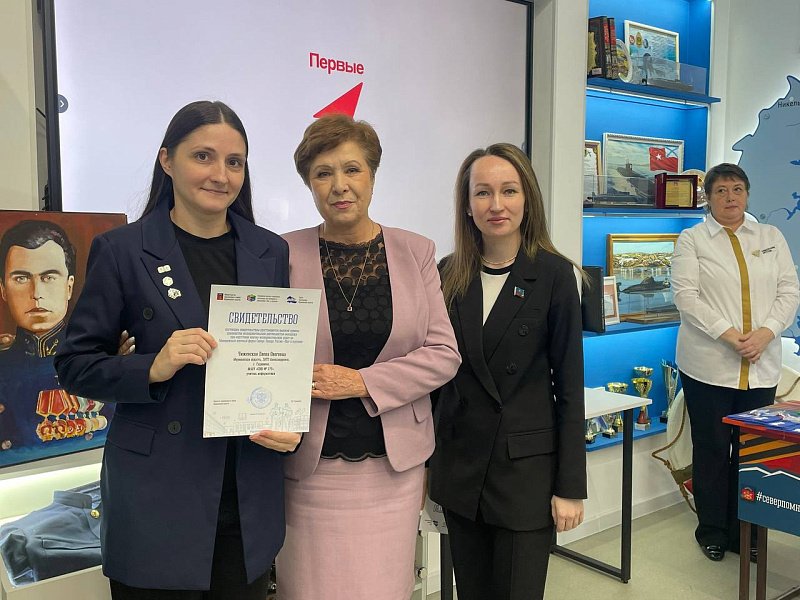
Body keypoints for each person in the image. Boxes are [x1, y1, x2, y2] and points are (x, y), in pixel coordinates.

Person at [54, 100, 301, 599]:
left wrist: (288, 417)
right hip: (157, 494)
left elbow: (277, 359)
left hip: (245, 490)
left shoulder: (269, 251)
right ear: (167, 160)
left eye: (234, 162)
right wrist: (153, 366)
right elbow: (75, 365)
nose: (221, 175)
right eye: (202, 156)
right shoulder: (122, 250)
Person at [275, 114, 461, 600]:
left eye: (352, 169)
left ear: (372, 176)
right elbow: (262, 350)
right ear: (309, 184)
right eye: (323, 173)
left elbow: (444, 354)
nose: (339, 185)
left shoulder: (415, 251)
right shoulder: (280, 254)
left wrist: (360, 382)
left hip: (393, 469)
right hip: (308, 467)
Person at [429, 143, 587, 600]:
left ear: (527, 198)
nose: (496, 205)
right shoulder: (447, 273)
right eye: (482, 192)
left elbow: (569, 388)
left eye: (509, 190)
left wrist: (570, 487)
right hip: (461, 470)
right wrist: (426, 466)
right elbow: (436, 380)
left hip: (525, 475)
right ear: (467, 205)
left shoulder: (555, 275)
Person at [671, 162, 800, 562]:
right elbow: (686, 296)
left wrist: (765, 333)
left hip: (761, 365)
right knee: (712, 450)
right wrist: (731, 336)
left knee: (752, 453)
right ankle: (712, 530)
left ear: (747, 194)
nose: (730, 197)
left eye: (737, 189)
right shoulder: (693, 240)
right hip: (708, 366)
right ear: (708, 198)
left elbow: (789, 291)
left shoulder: (770, 236)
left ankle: (745, 532)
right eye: (721, 190)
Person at [0, 220, 105, 464]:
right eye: (21, 278)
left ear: (69, 286)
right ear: (3, 289)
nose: (36, 293)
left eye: (48, 277)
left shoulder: (104, 355)